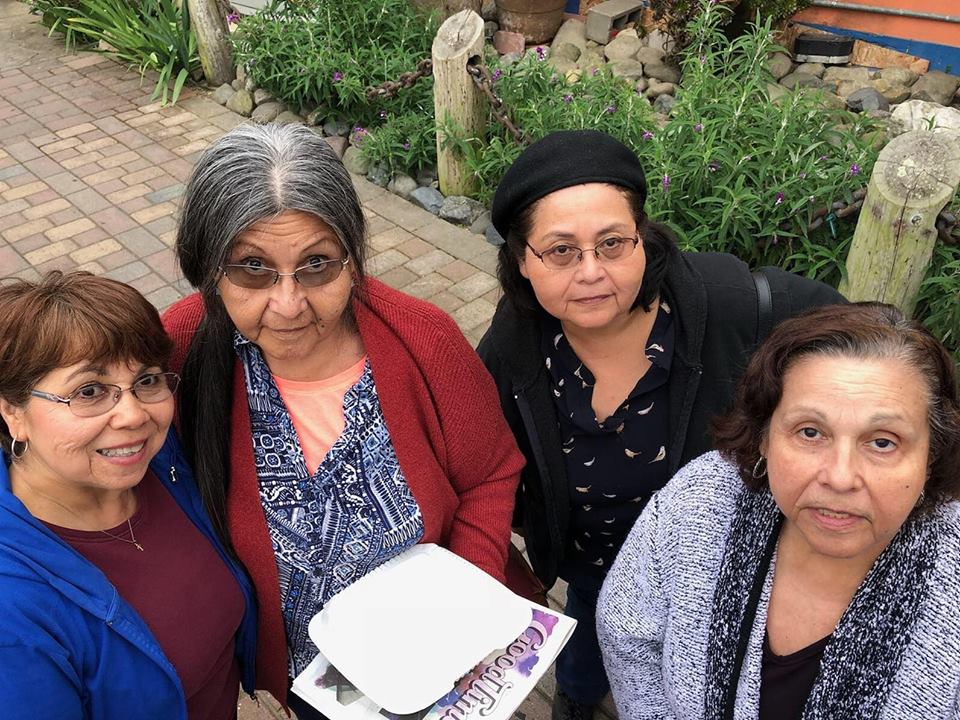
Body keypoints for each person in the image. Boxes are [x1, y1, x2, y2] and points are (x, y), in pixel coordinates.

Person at [476, 129, 845, 719]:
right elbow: (486, 460)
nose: (592, 272)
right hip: (592, 563)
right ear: (523, 261)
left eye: (613, 243)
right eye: (562, 250)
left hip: (712, 568)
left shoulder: (735, 309)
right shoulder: (510, 349)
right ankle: (576, 696)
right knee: (588, 639)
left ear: (642, 238)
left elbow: (876, 352)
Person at [162, 123, 524, 717]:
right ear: (208, 272)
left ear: (354, 261)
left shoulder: (424, 340)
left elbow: (488, 474)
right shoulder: (175, 352)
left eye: (316, 266)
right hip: (310, 680)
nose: (288, 304)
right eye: (252, 268)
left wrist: (461, 616)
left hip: (439, 663)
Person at [597, 302, 960, 718]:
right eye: (810, 432)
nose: (840, 478)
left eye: (882, 442)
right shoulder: (701, 499)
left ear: (932, 454)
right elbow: (627, 634)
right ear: (765, 437)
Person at [0, 271, 256, 720]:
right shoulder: (13, 613)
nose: (134, 415)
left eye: (148, 380)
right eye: (90, 391)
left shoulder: (161, 465)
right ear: (12, 412)